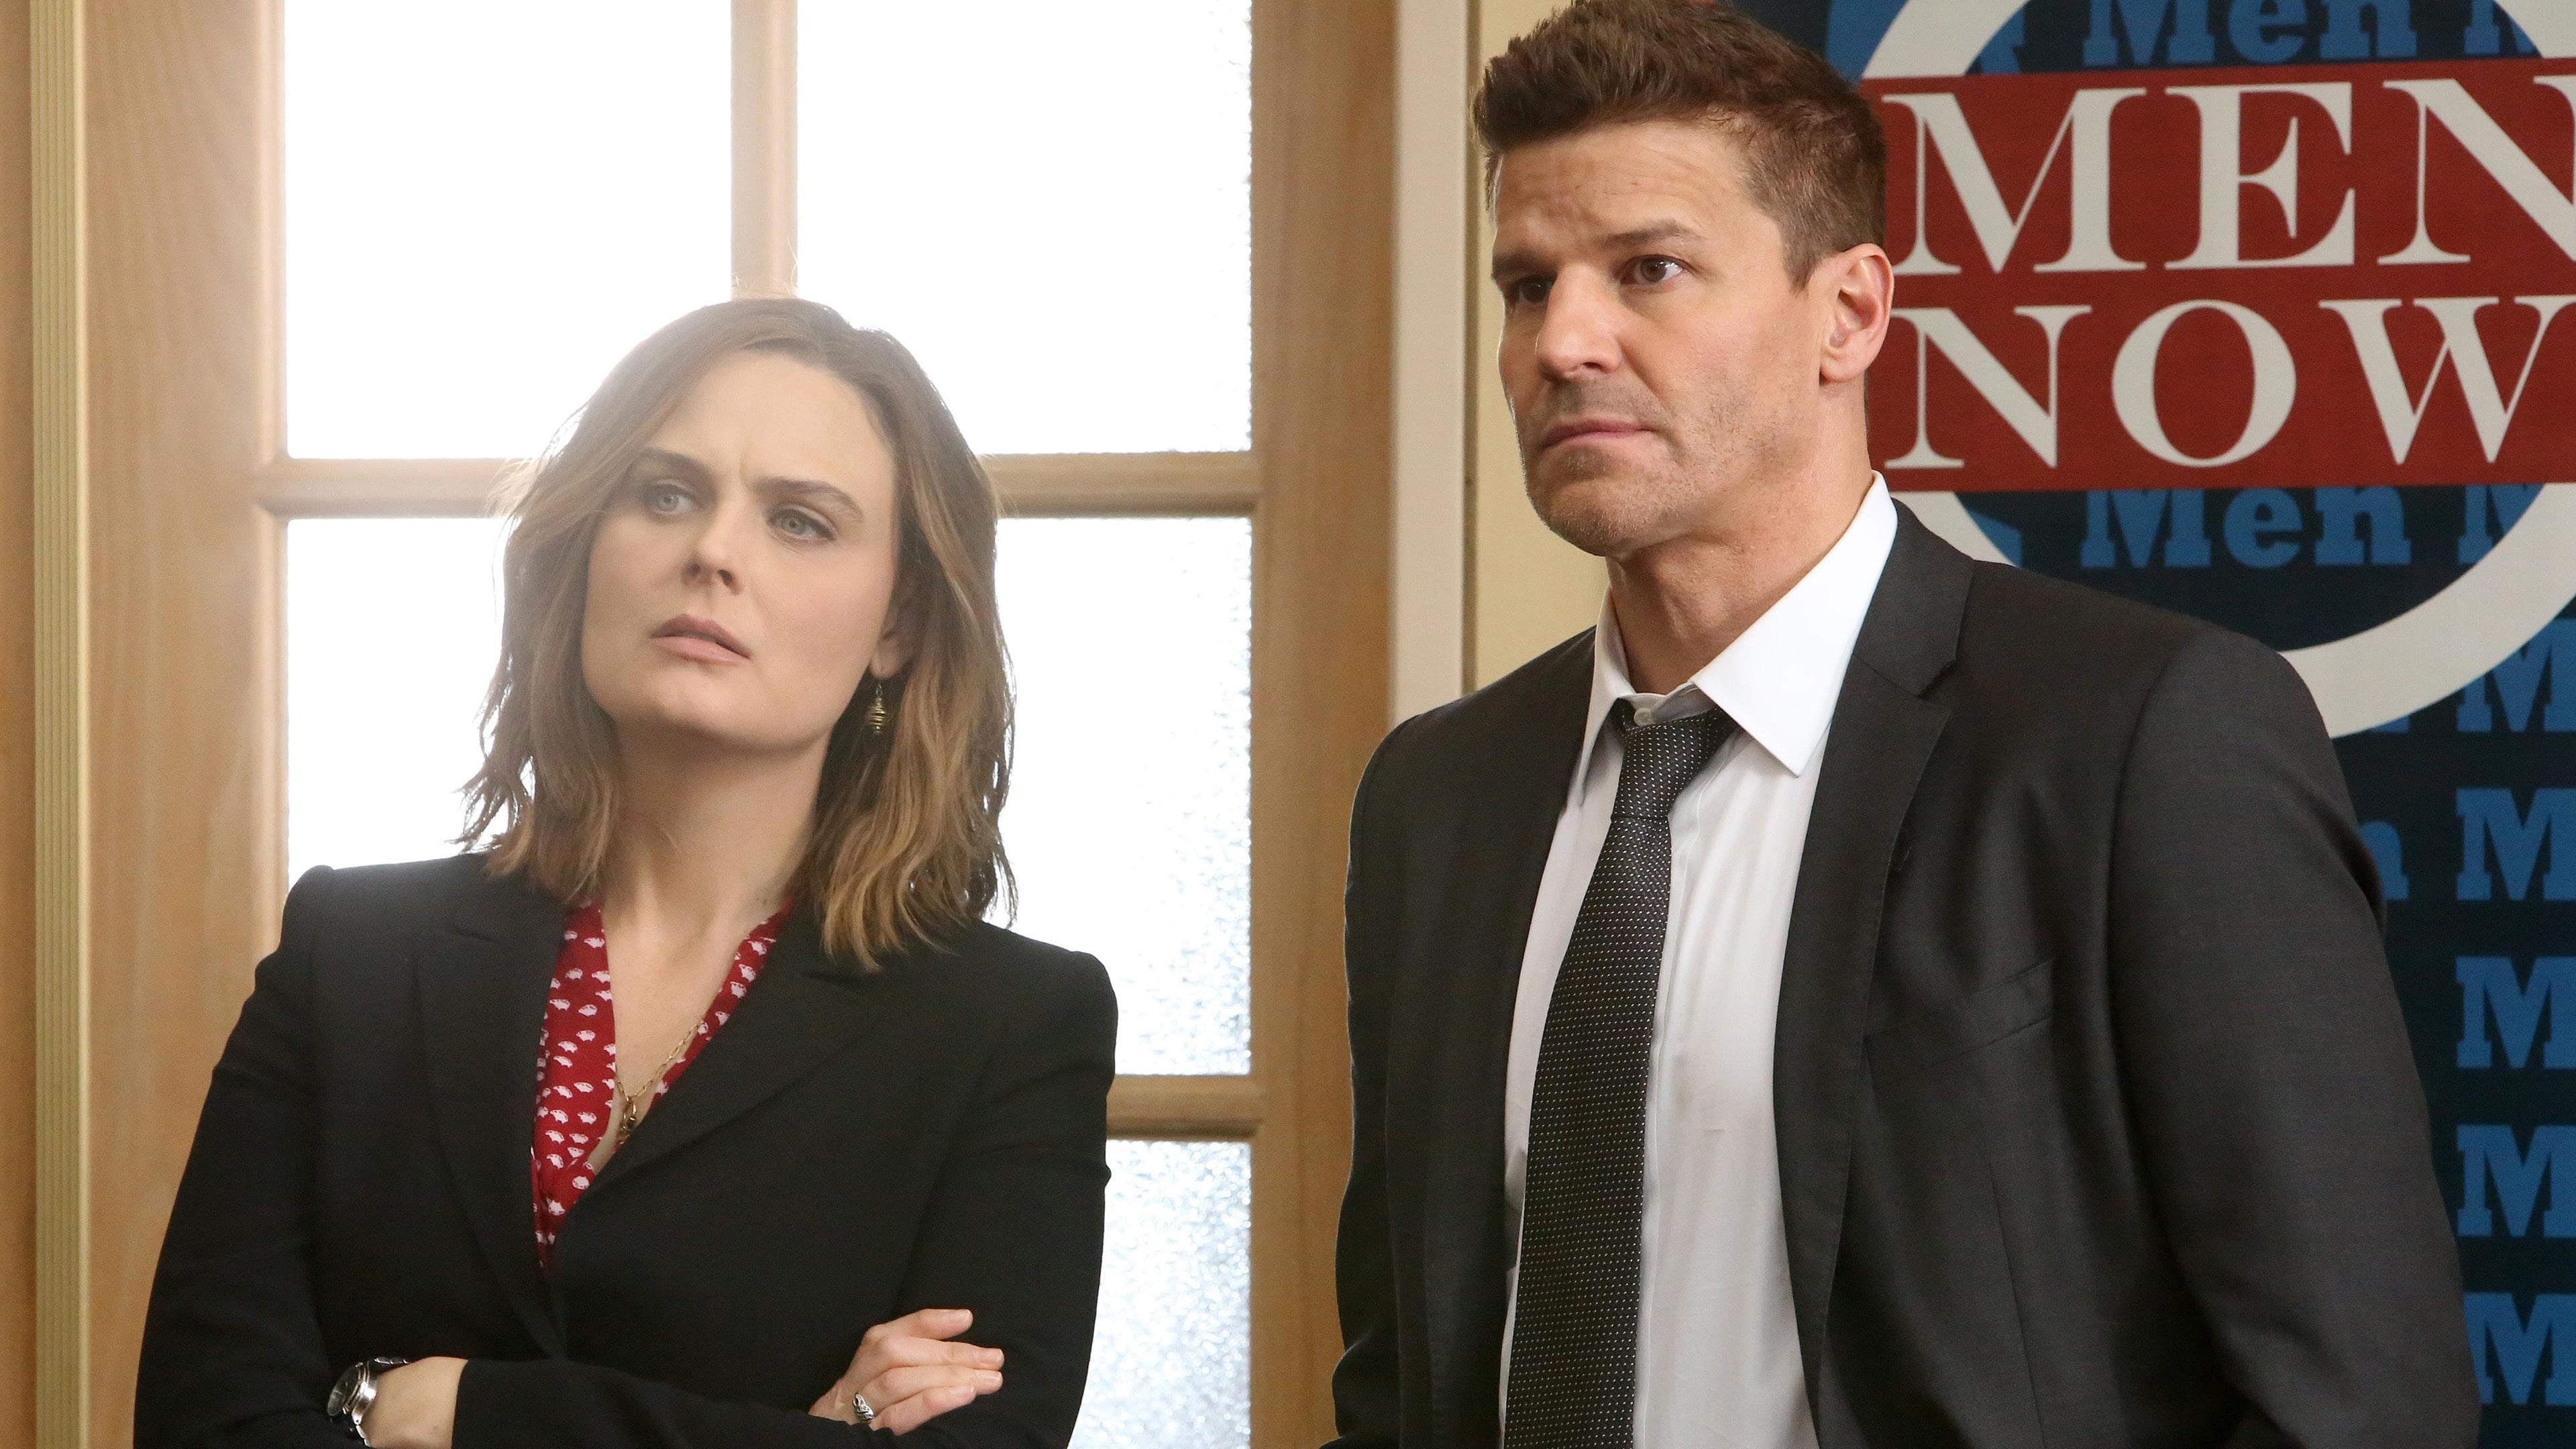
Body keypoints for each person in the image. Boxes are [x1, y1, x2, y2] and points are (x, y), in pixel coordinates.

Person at [1328, 3, 2475, 1446]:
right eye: (1525, 285)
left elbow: (2359, 1401)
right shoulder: (1438, 798)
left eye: (1650, 270)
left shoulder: (2141, 738)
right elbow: (1400, 1385)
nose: (1563, 341)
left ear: (1851, 314)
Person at [136, 299, 1116, 1449]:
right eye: (665, 494)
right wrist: (810, 1430)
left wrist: (448, 1407)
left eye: (799, 521)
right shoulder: (350, 950)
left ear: (898, 623)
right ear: (587, 545)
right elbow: (203, 1421)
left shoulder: (1012, 1024)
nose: (713, 552)